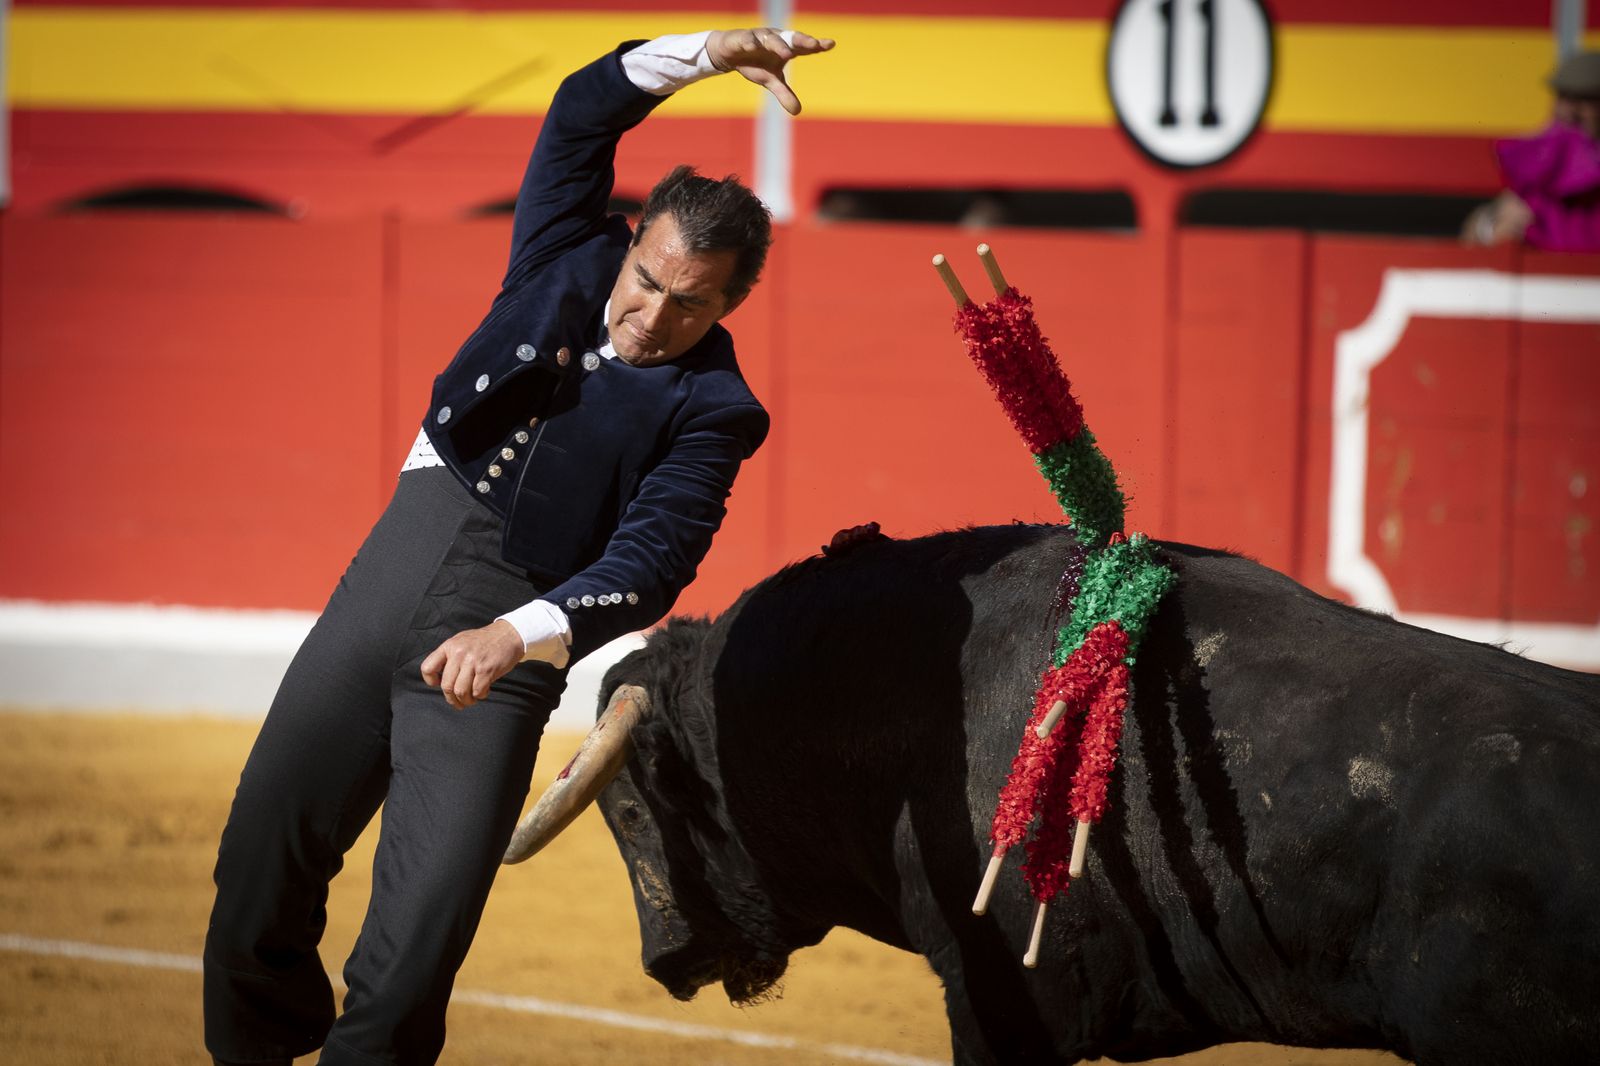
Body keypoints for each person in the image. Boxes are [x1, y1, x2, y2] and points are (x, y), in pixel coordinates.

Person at [202, 25, 835, 1066]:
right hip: (389, 577)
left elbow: (651, 562)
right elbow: (582, 111)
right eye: (646, 280)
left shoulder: (716, 409)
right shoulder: (563, 252)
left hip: (502, 646)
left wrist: (519, 632)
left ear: (729, 304)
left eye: (688, 303)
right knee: (258, 866)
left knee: (416, 944)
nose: (650, 316)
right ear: (629, 247)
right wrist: (707, 54)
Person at [1464, 49, 1600, 251]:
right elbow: (1475, 233)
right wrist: (1490, 226)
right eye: (1563, 97)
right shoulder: (1544, 163)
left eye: (1584, 99)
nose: (1571, 110)